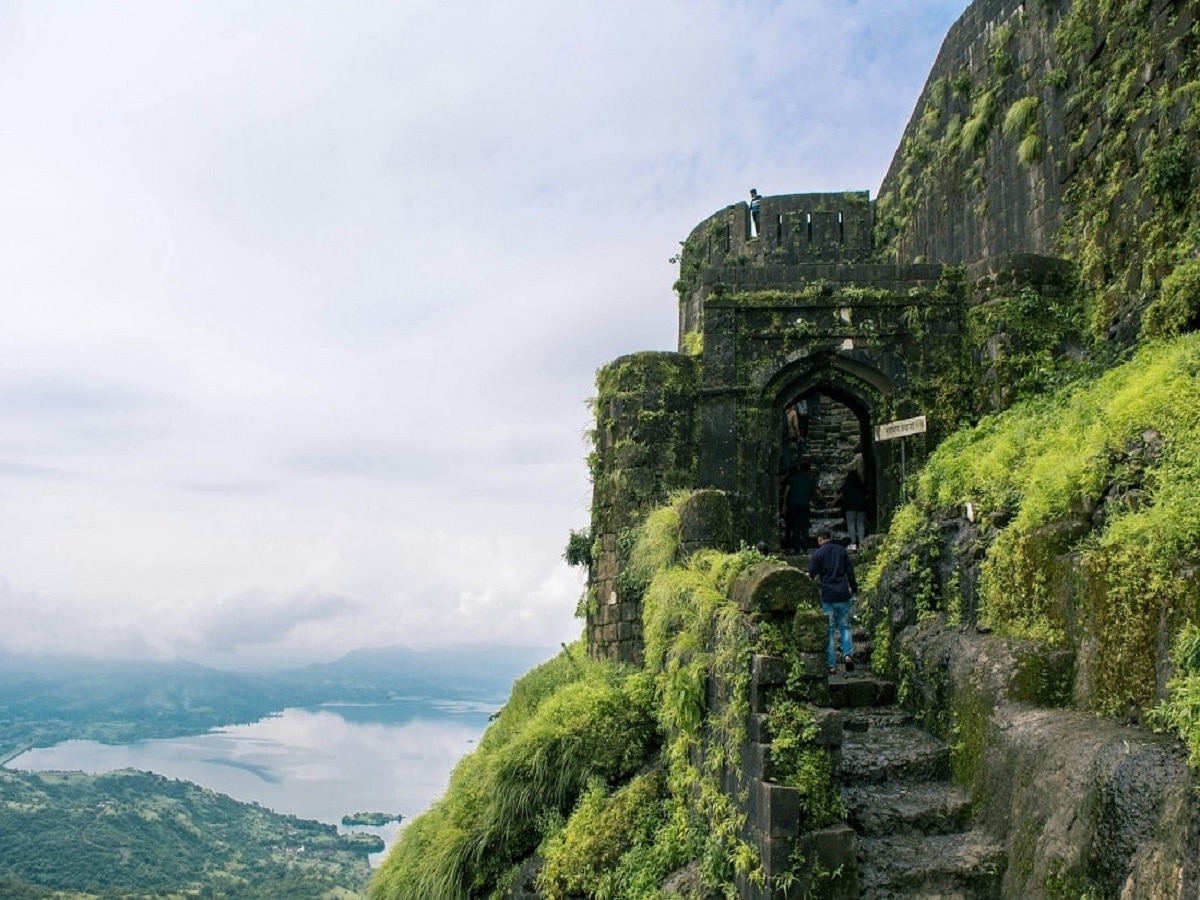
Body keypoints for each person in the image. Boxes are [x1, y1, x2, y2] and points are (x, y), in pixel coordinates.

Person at [807, 530, 858, 674]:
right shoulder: (841, 551)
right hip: (843, 594)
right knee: (845, 627)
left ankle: (832, 665)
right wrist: (854, 589)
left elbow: (811, 573)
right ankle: (847, 654)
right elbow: (850, 572)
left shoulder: (818, 554)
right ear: (830, 538)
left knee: (829, 631)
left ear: (820, 539)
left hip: (828, 596)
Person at [781, 462, 817, 551]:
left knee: (796, 527)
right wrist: (824, 501)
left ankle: (796, 548)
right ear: (808, 471)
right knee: (805, 527)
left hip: (793, 505)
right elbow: (817, 492)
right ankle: (805, 547)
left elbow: (786, 490)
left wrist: (784, 504)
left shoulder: (793, 479)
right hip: (805, 505)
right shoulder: (809, 479)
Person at [836, 467, 869, 550]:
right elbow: (867, 495)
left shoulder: (847, 484)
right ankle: (861, 544)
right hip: (862, 507)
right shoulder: (861, 484)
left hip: (850, 507)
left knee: (851, 524)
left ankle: (853, 543)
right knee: (860, 524)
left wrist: (832, 503)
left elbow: (840, 495)